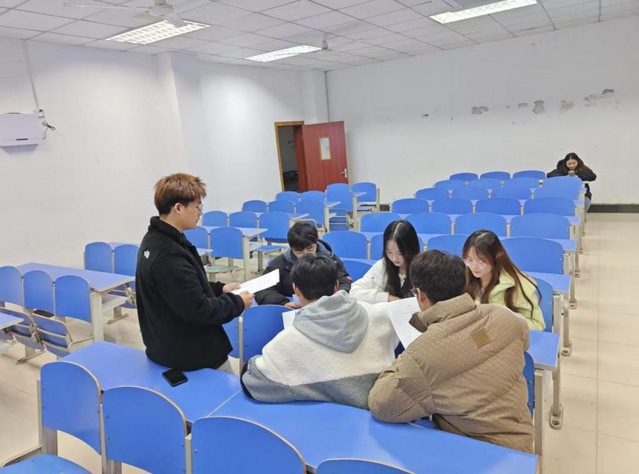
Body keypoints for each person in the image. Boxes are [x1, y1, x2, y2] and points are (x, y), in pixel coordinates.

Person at [368, 250, 534, 453]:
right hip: (521, 447)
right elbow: (520, 339)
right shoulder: (505, 317)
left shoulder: (422, 354)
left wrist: (397, 366)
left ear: (421, 294)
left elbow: (381, 405)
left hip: (471, 452)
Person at [241, 254, 398, 409]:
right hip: (380, 409)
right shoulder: (380, 314)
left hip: (322, 419)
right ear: (336, 286)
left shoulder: (288, 339)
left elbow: (252, 382)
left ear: (296, 290)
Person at [135, 173, 253, 373]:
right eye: (197, 207)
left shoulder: (155, 239)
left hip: (168, 346)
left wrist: (221, 288)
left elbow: (183, 288)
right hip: (192, 356)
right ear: (178, 208)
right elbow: (199, 309)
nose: (200, 213)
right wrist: (238, 303)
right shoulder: (168, 254)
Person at [462, 230, 545, 331]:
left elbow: (537, 326)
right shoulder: (463, 278)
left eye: (482, 261)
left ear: (496, 258)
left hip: (507, 336)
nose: (474, 266)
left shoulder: (518, 285)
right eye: (469, 260)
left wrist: (508, 319)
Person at [255, 222, 351, 308]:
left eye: (310, 249)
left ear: (316, 243)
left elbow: (344, 282)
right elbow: (262, 289)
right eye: (299, 251)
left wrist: (334, 300)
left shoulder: (330, 259)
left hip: (328, 308)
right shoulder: (281, 264)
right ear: (292, 248)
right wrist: (283, 303)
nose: (305, 254)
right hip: (294, 309)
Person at [350, 220, 420, 304]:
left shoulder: (423, 268)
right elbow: (354, 292)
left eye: (400, 253)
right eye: (389, 252)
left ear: (411, 249)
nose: (394, 258)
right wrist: (388, 298)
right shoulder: (382, 265)